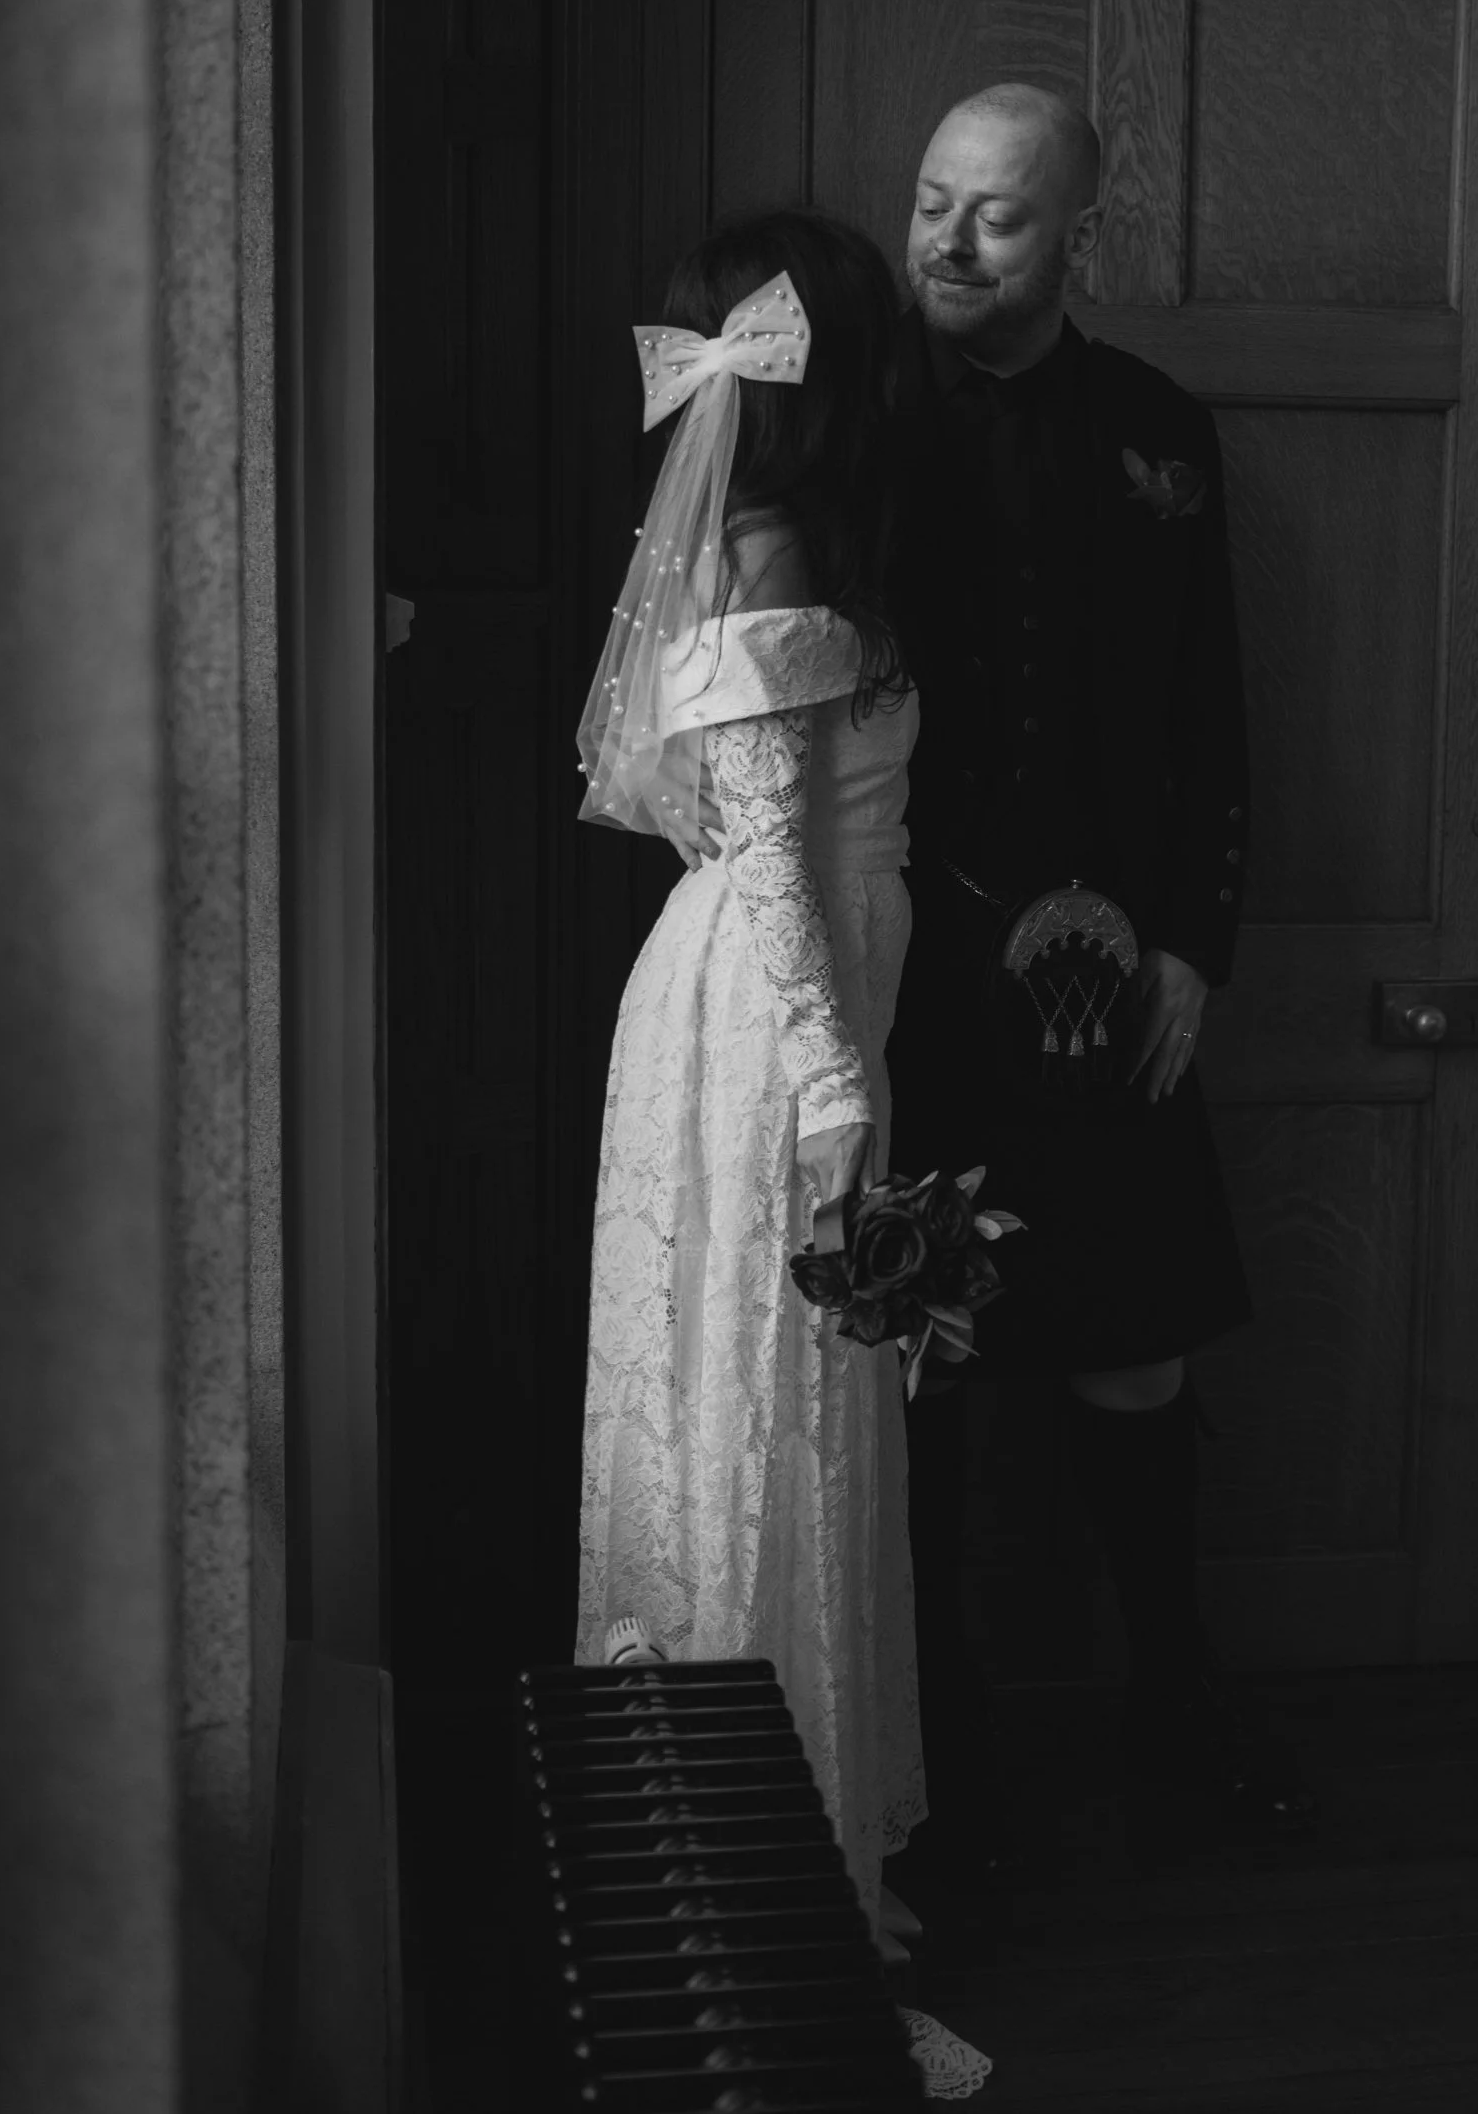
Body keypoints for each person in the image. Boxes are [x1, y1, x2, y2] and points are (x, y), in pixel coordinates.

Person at [573, 207, 991, 2100]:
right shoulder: (771, 553)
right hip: (770, 1038)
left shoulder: (787, 552)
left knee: (768, 1424)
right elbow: (768, 873)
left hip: (780, 1020)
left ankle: (758, 1869)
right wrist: (833, 1110)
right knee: (754, 1427)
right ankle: (760, 1914)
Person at [883, 82, 1314, 1872]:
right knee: (917, 1355)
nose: (946, 243)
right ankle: (936, 1736)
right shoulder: (858, 419)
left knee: (1132, 1352)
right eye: (929, 202)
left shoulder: (1155, 425)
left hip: (1114, 976)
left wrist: (1199, 943)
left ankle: (1176, 1696)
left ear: (1080, 239)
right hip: (907, 972)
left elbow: (1211, 706)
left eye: (994, 216)